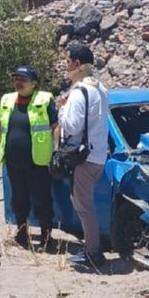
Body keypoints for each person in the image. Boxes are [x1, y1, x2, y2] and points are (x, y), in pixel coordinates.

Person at [0, 65, 59, 252]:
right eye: (16, 78)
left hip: (38, 161)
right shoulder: (7, 100)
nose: (18, 82)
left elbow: (55, 126)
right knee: (19, 199)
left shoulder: (44, 99)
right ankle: (21, 234)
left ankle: (46, 237)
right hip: (13, 161)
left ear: (34, 83)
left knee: (42, 199)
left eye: (23, 79)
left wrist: (56, 150)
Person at [57, 42, 109, 269]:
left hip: (83, 157)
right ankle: (92, 248)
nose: (65, 65)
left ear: (77, 64)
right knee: (84, 203)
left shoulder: (79, 92)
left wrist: (61, 110)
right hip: (97, 154)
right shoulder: (101, 89)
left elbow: (73, 126)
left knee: (83, 206)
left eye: (67, 61)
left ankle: (93, 253)